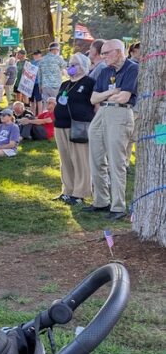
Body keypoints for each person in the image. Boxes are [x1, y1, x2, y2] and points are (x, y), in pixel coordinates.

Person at [85, 39, 138, 220]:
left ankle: (118, 206)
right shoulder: (105, 70)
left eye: (106, 53)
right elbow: (93, 99)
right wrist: (111, 93)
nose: (103, 56)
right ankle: (101, 201)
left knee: (117, 161)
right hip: (102, 113)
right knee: (96, 159)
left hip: (120, 114)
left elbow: (124, 98)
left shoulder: (132, 68)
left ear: (118, 52)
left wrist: (109, 95)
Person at [52, 51, 94, 205]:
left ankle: (80, 193)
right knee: (65, 159)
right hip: (60, 126)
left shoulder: (89, 82)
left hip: (78, 126)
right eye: (69, 64)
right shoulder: (65, 84)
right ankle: (67, 190)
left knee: (80, 159)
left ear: (83, 66)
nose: (70, 67)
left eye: (74, 64)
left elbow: (95, 105)